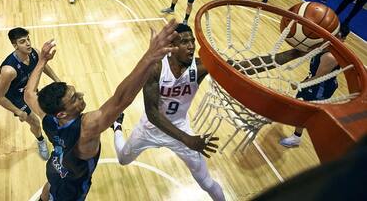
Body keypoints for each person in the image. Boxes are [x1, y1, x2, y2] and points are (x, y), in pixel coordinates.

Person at [111, 24, 305, 201]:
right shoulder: (156, 68)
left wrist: (295, 53)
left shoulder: (200, 66)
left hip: (180, 127)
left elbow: (248, 65)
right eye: (184, 42)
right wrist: (187, 139)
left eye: (192, 41)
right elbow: (152, 113)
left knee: (206, 182)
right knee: (122, 160)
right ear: (171, 48)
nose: (191, 46)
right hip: (151, 129)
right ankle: (118, 126)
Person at [23, 19, 179, 201]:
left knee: (47, 190)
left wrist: (42, 60)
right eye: (74, 98)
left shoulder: (48, 118)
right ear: (62, 114)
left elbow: (28, 93)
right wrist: (149, 58)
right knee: (49, 191)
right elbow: (121, 100)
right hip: (70, 195)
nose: (81, 95)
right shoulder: (86, 127)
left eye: (75, 92)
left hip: (55, 174)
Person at [0, 27, 61, 160]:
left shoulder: (35, 53)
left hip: (30, 90)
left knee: (49, 112)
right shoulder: (9, 70)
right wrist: (18, 112)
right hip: (17, 99)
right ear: (15, 45)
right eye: (23, 41)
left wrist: (57, 80)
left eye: (28, 39)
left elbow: (43, 66)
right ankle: (41, 141)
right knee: (35, 123)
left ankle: (58, 138)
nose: (28, 43)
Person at [280, 24, 350, 147]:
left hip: (320, 87)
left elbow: (318, 77)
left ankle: (297, 138)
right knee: (300, 105)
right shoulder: (326, 47)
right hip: (315, 80)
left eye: (337, 36)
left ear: (342, 39)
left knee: (304, 111)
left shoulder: (330, 56)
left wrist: (299, 84)